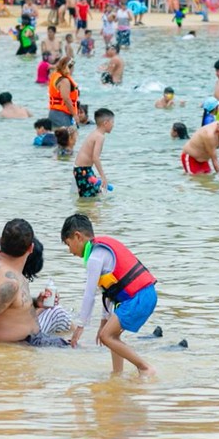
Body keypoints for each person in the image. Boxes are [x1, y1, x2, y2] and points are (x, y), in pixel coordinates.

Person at [59, 214, 156, 375]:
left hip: (137, 298)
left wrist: (80, 326)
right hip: (146, 294)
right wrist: (103, 322)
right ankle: (117, 374)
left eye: (68, 244)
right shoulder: (101, 250)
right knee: (111, 336)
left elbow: (89, 294)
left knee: (106, 337)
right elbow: (109, 293)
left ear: (78, 236)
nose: (70, 251)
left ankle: (145, 367)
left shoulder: (94, 258)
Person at [72, 107, 113, 198]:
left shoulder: (95, 133)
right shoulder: (100, 137)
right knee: (89, 198)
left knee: (96, 194)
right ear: (105, 123)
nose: (113, 125)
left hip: (83, 170)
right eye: (112, 122)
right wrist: (103, 176)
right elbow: (95, 157)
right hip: (83, 170)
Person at [46, 56, 80, 130]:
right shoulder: (64, 81)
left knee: (58, 135)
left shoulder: (55, 76)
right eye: (72, 67)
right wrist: (74, 114)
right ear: (68, 68)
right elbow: (66, 99)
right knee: (66, 135)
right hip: (61, 114)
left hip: (55, 112)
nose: (73, 70)